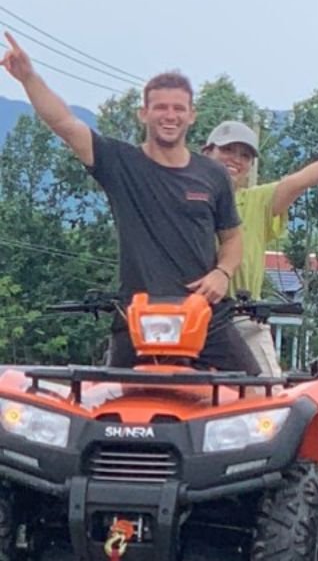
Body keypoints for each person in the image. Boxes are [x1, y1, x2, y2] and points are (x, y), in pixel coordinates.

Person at [0, 32, 259, 374]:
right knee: (111, 399)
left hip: (206, 314)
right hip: (138, 315)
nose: (170, 115)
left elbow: (232, 237)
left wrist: (222, 273)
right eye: (161, 107)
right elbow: (65, 123)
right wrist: (28, 77)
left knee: (253, 391)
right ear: (143, 113)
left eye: (178, 108)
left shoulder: (213, 174)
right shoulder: (120, 162)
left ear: (192, 115)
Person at [202, 118, 318, 375]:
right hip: (189, 316)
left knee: (267, 390)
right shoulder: (184, 197)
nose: (235, 159)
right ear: (207, 152)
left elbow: (300, 181)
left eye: (245, 155)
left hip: (242, 315)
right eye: (227, 150)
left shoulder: (257, 202)